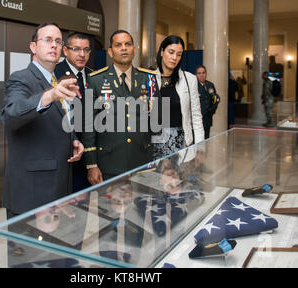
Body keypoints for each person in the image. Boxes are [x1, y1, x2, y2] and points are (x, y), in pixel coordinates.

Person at [0, 22, 84, 218]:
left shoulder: (56, 80)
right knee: (28, 248)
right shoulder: (21, 79)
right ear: (33, 47)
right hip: (32, 189)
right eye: (47, 40)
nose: (53, 45)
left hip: (59, 184)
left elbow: (57, 121)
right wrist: (49, 95)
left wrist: (72, 139)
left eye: (57, 41)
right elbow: (11, 115)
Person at [82, 30, 160, 183]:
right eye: (118, 45)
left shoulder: (148, 79)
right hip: (109, 163)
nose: (124, 48)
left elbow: (156, 121)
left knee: (141, 206)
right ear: (110, 52)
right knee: (108, 206)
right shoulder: (95, 80)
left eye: (128, 44)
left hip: (142, 162)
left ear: (135, 49)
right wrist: (91, 164)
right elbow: (88, 125)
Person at [152, 36, 205, 158]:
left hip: (181, 144)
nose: (174, 58)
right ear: (162, 52)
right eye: (171, 52)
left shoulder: (189, 79)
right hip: (155, 144)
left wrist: (200, 147)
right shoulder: (149, 78)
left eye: (179, 54)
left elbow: (196, 116)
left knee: (178, 177)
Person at [55, 32, 93, 192]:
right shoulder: (54, 75)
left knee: (82, 209)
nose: (82, 54)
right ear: (65, 50)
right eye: (76, 49)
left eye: (86, 50)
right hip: (64, 155)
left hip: (88, 157)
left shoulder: (93, 76)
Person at [195, 65, 220, 139]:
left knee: (206, 140)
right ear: (196, 75)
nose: (201, 75)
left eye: (203, 73)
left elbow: (216, 99)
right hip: (198, 120)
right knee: (197, 141)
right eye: (199, 73)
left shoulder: (210, 85)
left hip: (207, 119)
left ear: (206, 74)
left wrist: (212, 110)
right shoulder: (194, 86)